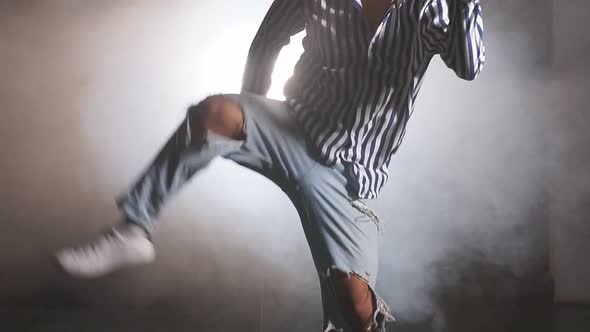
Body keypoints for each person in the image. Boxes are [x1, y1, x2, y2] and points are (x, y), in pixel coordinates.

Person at [55, 0, 485, 331]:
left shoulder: (435, 7)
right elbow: (269, 40)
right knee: (216, 113)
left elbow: (469, 65)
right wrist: (251, 116)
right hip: (292, 124)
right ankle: (132, 229)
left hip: (350, 173)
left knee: (355, 308)